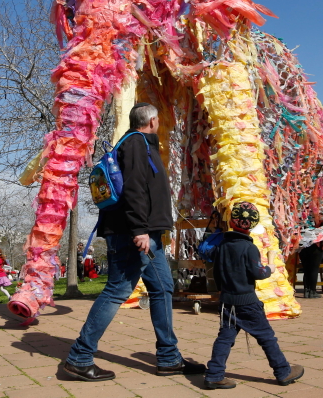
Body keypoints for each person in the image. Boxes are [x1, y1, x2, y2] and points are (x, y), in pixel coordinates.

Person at [64, 103, 205, 381]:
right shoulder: (137, 143)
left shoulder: (136, 143)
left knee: (163, 288)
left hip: (146, 233)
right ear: (152, 120)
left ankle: (169, 358)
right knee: (117, 290)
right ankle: (79, 357)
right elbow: (135, 189)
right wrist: (139, 229)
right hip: (135, 233)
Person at [204, 202, 304, 390]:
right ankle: (283, 371)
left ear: (232, 221)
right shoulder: (249, 248)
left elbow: (216, 273)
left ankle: (214, 374)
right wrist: (271, 266)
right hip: (247, 302)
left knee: (225, 338)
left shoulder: (222, 245)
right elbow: (259, 273)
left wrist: (222, 291)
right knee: (266, 337)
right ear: (252, 224)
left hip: (227, 301)